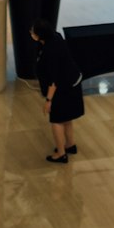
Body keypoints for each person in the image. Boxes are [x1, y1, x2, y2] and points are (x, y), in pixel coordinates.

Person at [31, 18, 84, 162]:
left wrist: (48, 101)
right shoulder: (55, 37)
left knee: (57, 120)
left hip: (63, 88)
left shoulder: (49, 51)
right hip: (72, 82)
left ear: (39, 35)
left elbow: (53, 81)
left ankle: (61, 153)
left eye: (33, 31)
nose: (31, 33)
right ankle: (70, 145)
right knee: (67, 118)